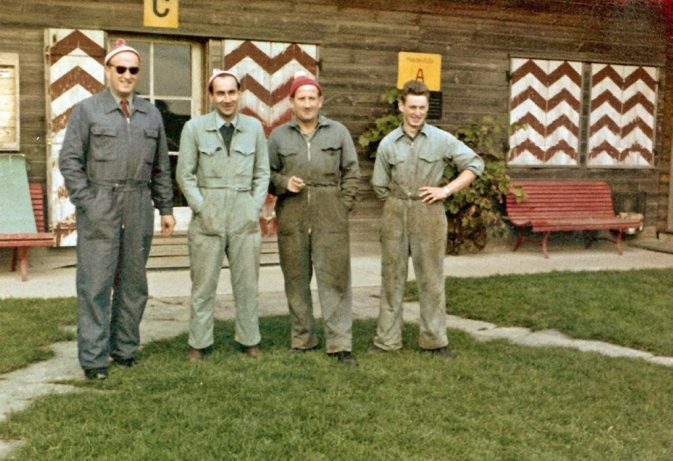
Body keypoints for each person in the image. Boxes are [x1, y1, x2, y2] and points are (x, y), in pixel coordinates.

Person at [59, 38, 176, 380]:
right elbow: (70, 160)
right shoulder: (88, 111)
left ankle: (124, 349)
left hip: (138, 204)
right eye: (120, 69)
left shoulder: (151, 113)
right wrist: (88, 200)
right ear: (108, 71)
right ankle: (94, 360)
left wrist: (165, 207)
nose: (127, 75)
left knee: (133, 283)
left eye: (133, 70)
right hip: (101, 203)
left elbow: (160, 168)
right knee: (95, 284)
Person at [370, 79, 484, 359]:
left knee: (431, 279)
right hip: (395, 211)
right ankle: (387, 340)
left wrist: (445, 190)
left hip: (429, 211)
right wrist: (398, 206)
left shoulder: (441, 139)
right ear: (401, 106)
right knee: (391, 278)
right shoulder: (388, 143)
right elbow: (379, 185)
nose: (417, 113)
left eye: (422, 107)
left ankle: (434, 341)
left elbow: (475, 164)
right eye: (412, 107)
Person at [177, 69, 270, 361]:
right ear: (211, 96)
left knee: (247, 283)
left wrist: (254, 207)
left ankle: (249, 339)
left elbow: (262, 173)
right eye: (220, 93)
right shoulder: (194, 128)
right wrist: (201, 207)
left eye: (232, 92)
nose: (227, 99)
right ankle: (199, 342)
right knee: (203, 284)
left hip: (243, 212)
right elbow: (185, 175)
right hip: (209, 213)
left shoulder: (254, 129)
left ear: (239, 93)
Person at [268, 75, 360, 365]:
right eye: (301, 98)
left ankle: (339, 342)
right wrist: (284, 183)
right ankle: (303, 338)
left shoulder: (338, 132)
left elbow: (352, 171)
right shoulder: (279, 136)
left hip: (330, 210)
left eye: (312, 98)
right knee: (295, 278)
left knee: (335, 278)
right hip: (292, 213)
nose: (307, 104)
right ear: (292, 103)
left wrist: (342, 205)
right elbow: (266, 175)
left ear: (320, 101)